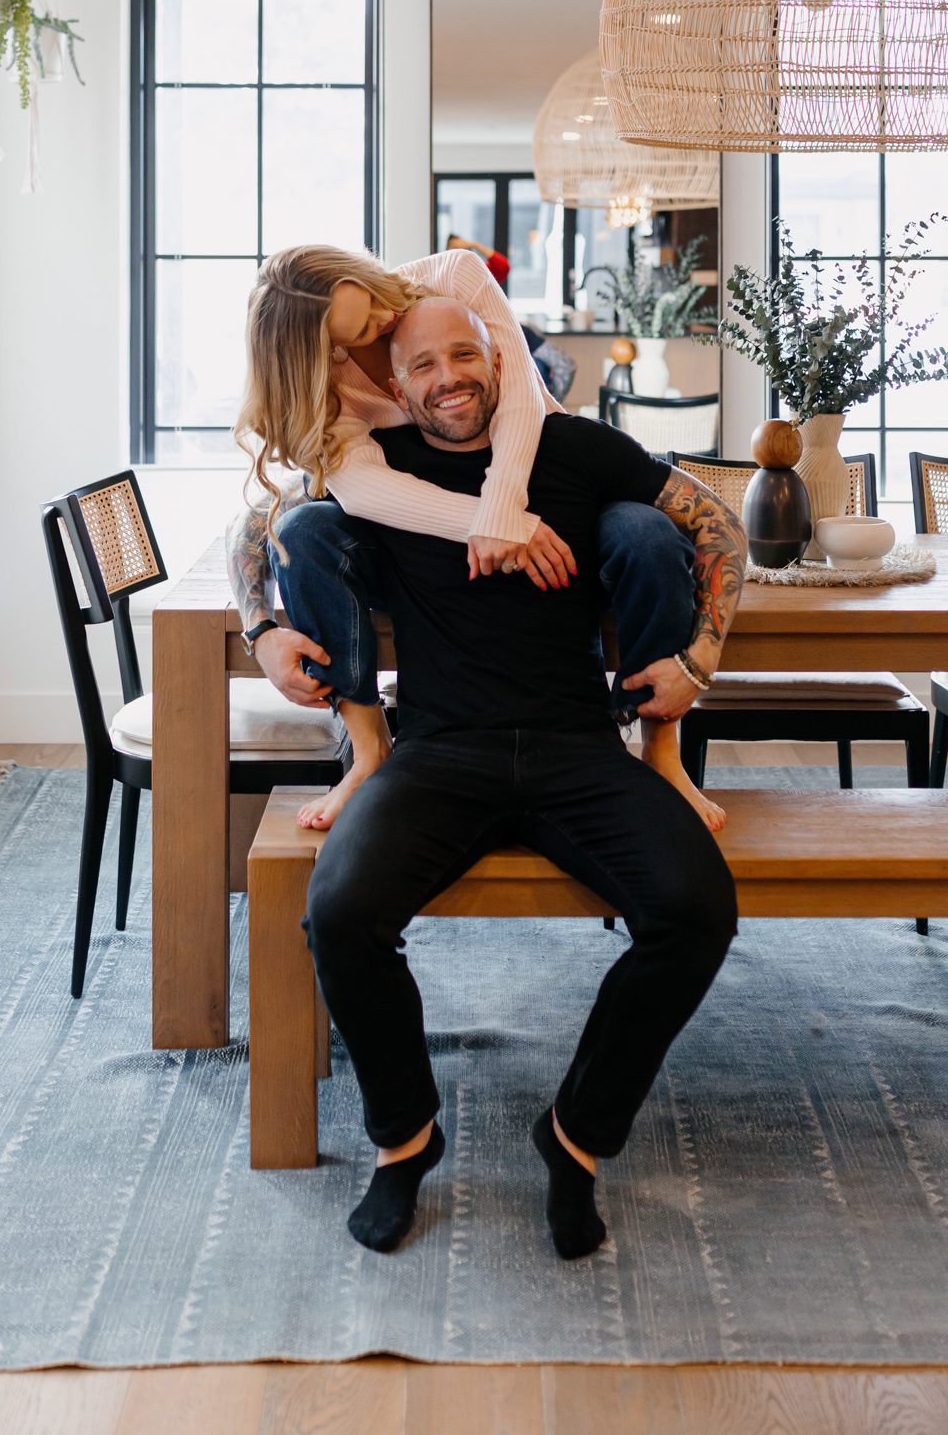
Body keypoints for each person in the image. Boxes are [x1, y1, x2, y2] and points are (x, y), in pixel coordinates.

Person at [281, 297, 744, 1258]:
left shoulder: (575, 448)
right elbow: (268, 531)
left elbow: (715, 526)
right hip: (440, 752)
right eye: (422, 365)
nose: (447, 376)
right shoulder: (380, 467)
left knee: (696, 911)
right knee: (337, 913)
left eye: (465, 352)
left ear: (499, 359)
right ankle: (404, 1141)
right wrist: (262, 630)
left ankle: (574, 1137)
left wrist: (695, 660)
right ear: (394, 385)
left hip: (578, 745)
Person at [228, 244, 727, 832]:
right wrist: (259, 630)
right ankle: (368, 754)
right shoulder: (328, 381)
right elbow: (341, 497)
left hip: (536, 503)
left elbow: (520, 400)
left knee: (646, 531)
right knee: (304, 528)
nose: (381, 322)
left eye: (368, 305)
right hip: (430, 546)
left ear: (359, 275)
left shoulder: (451, 276)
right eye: (356, 333)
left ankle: (662, 755)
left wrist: (506, 512)